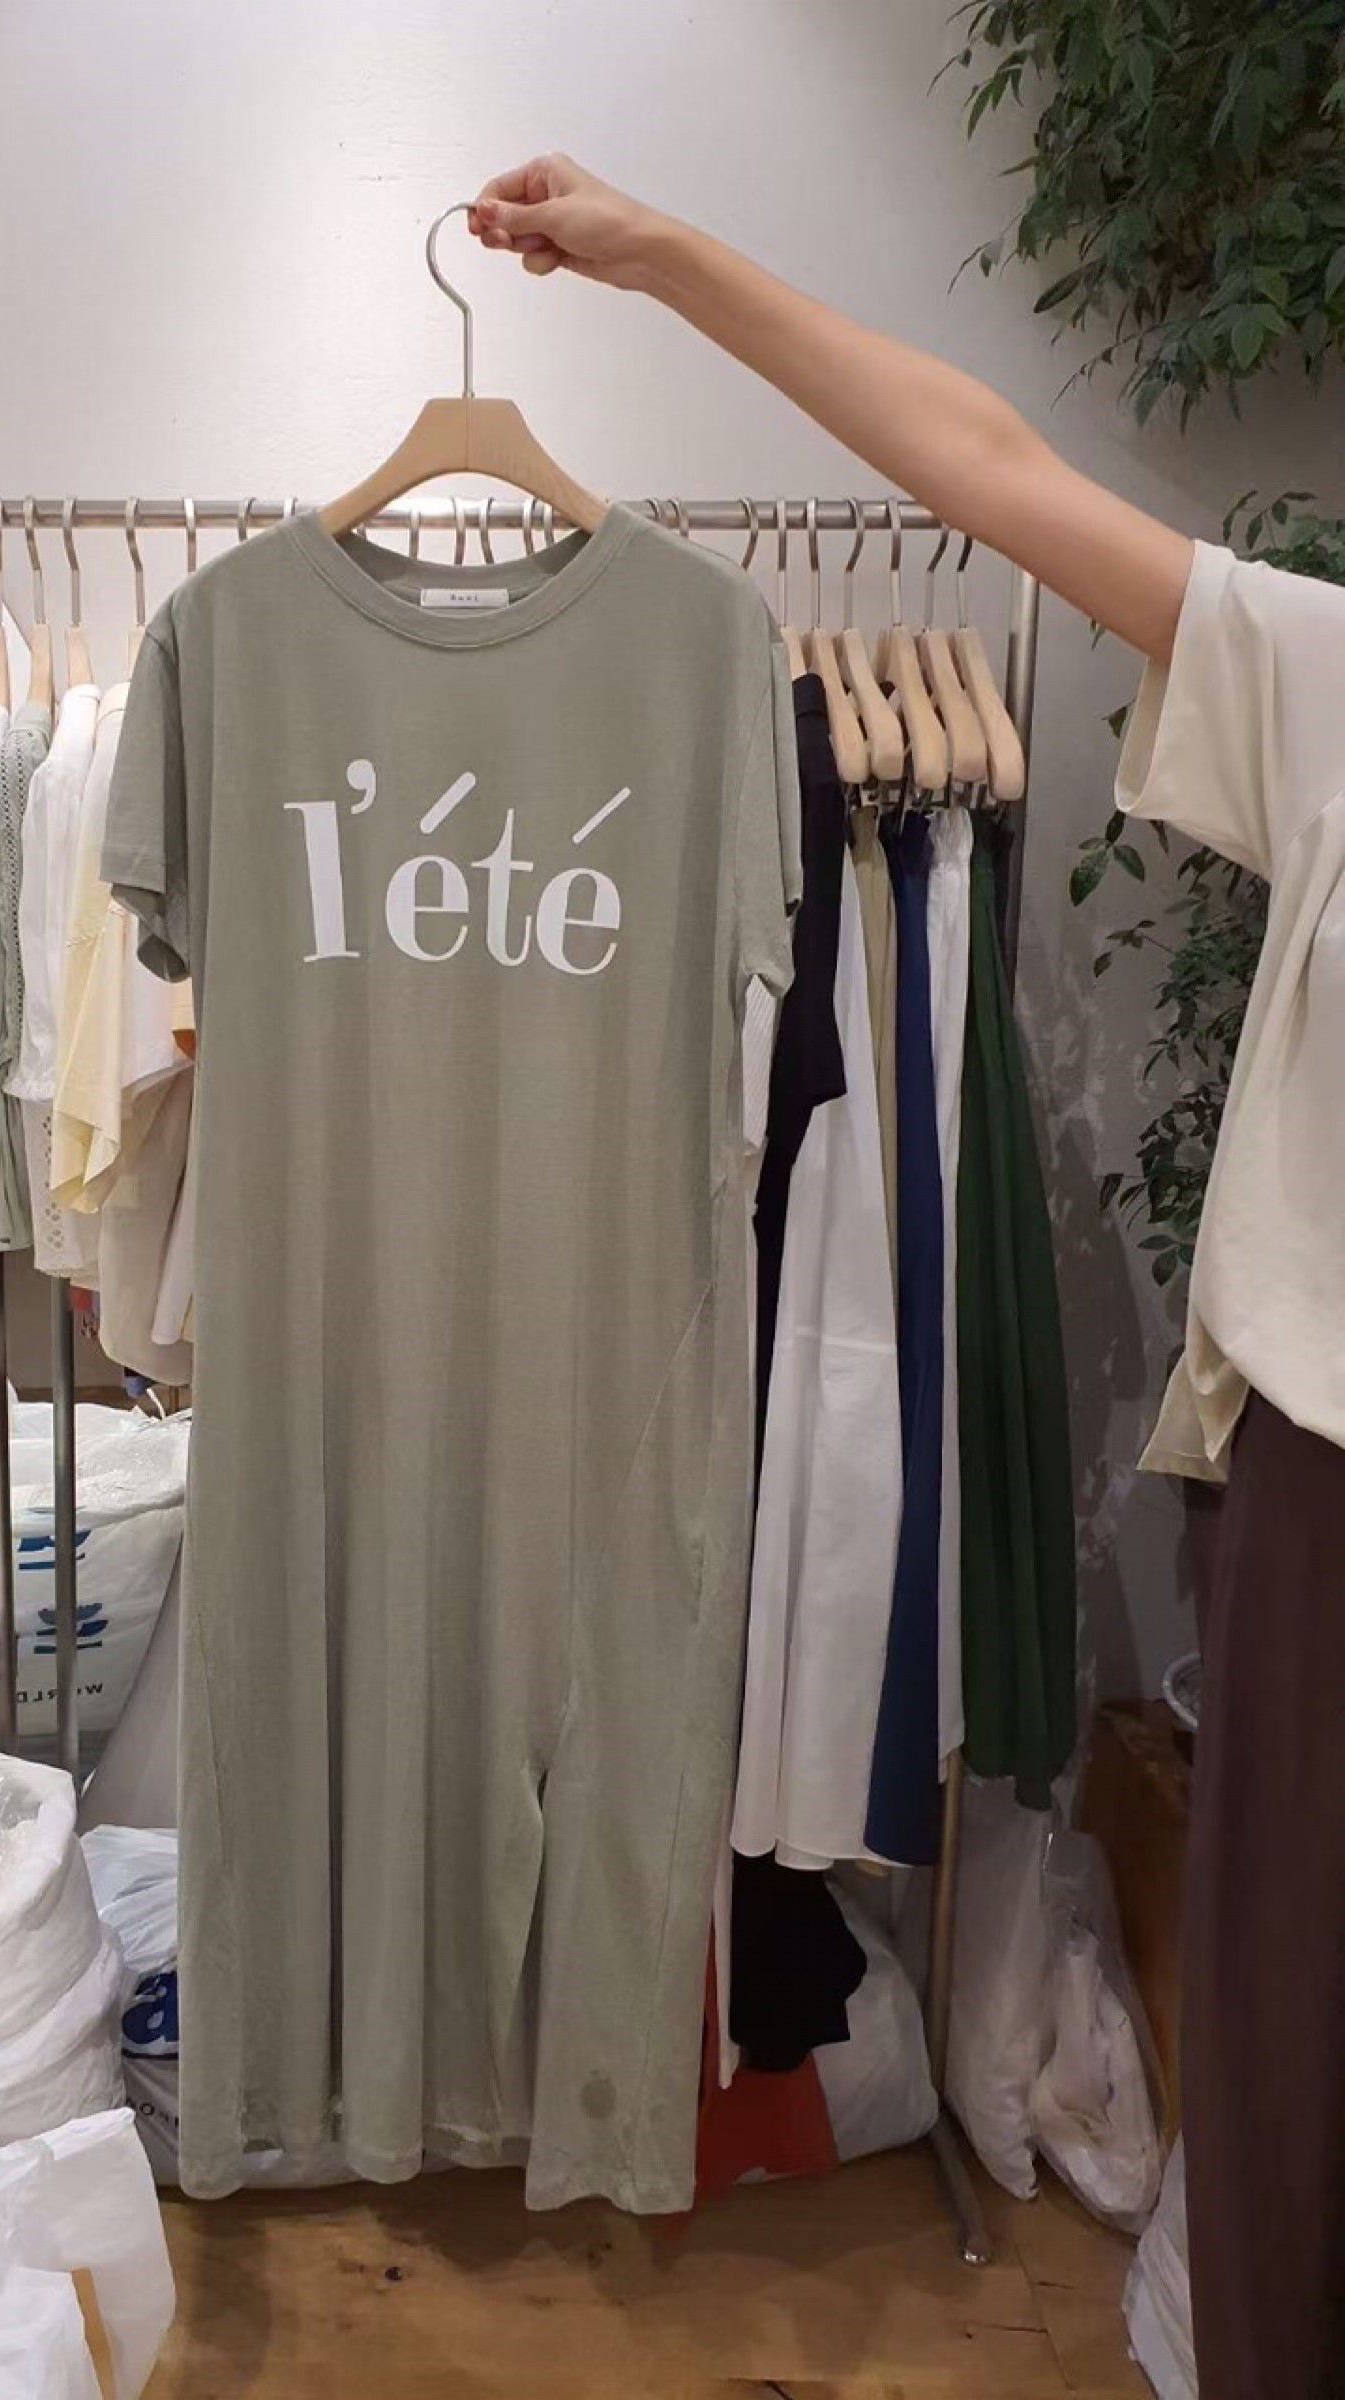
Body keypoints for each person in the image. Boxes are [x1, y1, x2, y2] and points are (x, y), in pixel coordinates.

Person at [471, 156, 1345, 2400]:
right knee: (1295, 2084)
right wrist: (665, 257)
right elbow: (994, 466)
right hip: (1331, 1480)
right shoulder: (1341, 684)